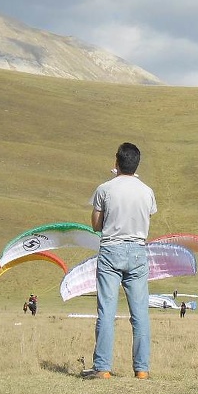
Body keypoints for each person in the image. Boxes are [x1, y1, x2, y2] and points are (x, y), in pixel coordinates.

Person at [87, 142, 157, 380]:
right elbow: (146, 217)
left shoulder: (104, 189)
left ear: (116, 162)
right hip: (138, 250)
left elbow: (96, 225)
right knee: (140, 314)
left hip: (111, 250)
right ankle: (142, 369)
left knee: (107, 311)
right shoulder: (147, 191)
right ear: (137, 164)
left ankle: (103, 368)